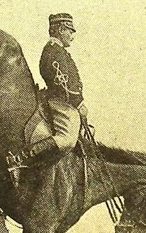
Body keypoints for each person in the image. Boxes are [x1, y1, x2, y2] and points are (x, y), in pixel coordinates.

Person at [7, 13, 88, 185]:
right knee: (66, 140)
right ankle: (21, 158)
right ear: (60, 29)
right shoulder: (53, 51)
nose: (72, 36)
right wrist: (79, 103)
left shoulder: (59, 51)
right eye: (70, 31)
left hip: (67, 102)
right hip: (60, 101)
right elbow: (62, 84)